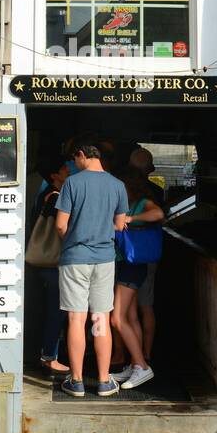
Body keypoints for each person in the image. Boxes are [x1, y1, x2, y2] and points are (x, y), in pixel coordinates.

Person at [55, 144, 129, 397]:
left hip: (75, 258)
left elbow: (60, 225)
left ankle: (76, 381)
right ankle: (104, 380)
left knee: (76, 319)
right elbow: (120, 225)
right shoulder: (118, 185)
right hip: (105, 259)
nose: (74, 164)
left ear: (83, 156)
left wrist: (74, 237)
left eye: (75, 159)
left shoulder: (72, 184)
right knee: (100, 318)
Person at [110, 167, 164, 390]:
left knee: (117, 318)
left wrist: (131, 218)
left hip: (133, 266)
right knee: (131, 317)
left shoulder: (142, 203)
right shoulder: (123, 204)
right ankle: (135, 363)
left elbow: (158, 214)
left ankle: (142, 366)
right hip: (126, 265)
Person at [33, 156, 72, 375]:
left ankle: (49, 354)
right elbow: (62, 228)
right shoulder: (56, 197)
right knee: (56, 310)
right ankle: (49, 357)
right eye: (65, 169)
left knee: (53, 309)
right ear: (54, 176)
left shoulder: (46, 194)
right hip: (52, 263)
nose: (69, 171)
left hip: (47, 265)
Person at [128, 146, 165, 364]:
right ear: (149, 168)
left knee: (128, 310)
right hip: (150, 253)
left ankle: (133, 357)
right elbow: (162, 216)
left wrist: (130, 220)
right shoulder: (156, 192)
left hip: (131, 254)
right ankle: (147, 353)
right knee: (146, 305)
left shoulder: (129, 193)